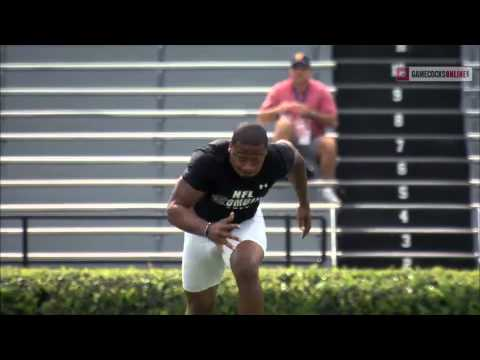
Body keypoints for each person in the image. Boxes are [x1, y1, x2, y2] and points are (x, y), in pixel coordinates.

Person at [167, 123, 311, 315]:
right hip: (201, 226)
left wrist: (304, 204)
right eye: (241, 158)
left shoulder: (277, 157)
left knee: (246, 267)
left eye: (255, 160)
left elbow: (297, 162)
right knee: (200, 306)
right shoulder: (208, 161)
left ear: (265, 153)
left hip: (244, 223)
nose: (247, 167)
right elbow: (175, 208)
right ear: (230, 149)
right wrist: (208, 229)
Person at [257, 52, 341, 203]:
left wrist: (310, 113)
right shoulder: (279, 89)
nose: (299, 72)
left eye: (303, 69)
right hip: (289, 140)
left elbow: (333, 121)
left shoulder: (321, 90)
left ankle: (327, 186)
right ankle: (281, 167)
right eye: (296, 68)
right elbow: (262, 116)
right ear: (290, 71)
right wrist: (280, 109)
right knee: (284, 123)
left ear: (309, 71)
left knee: (329, 143)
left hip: (312, 138)